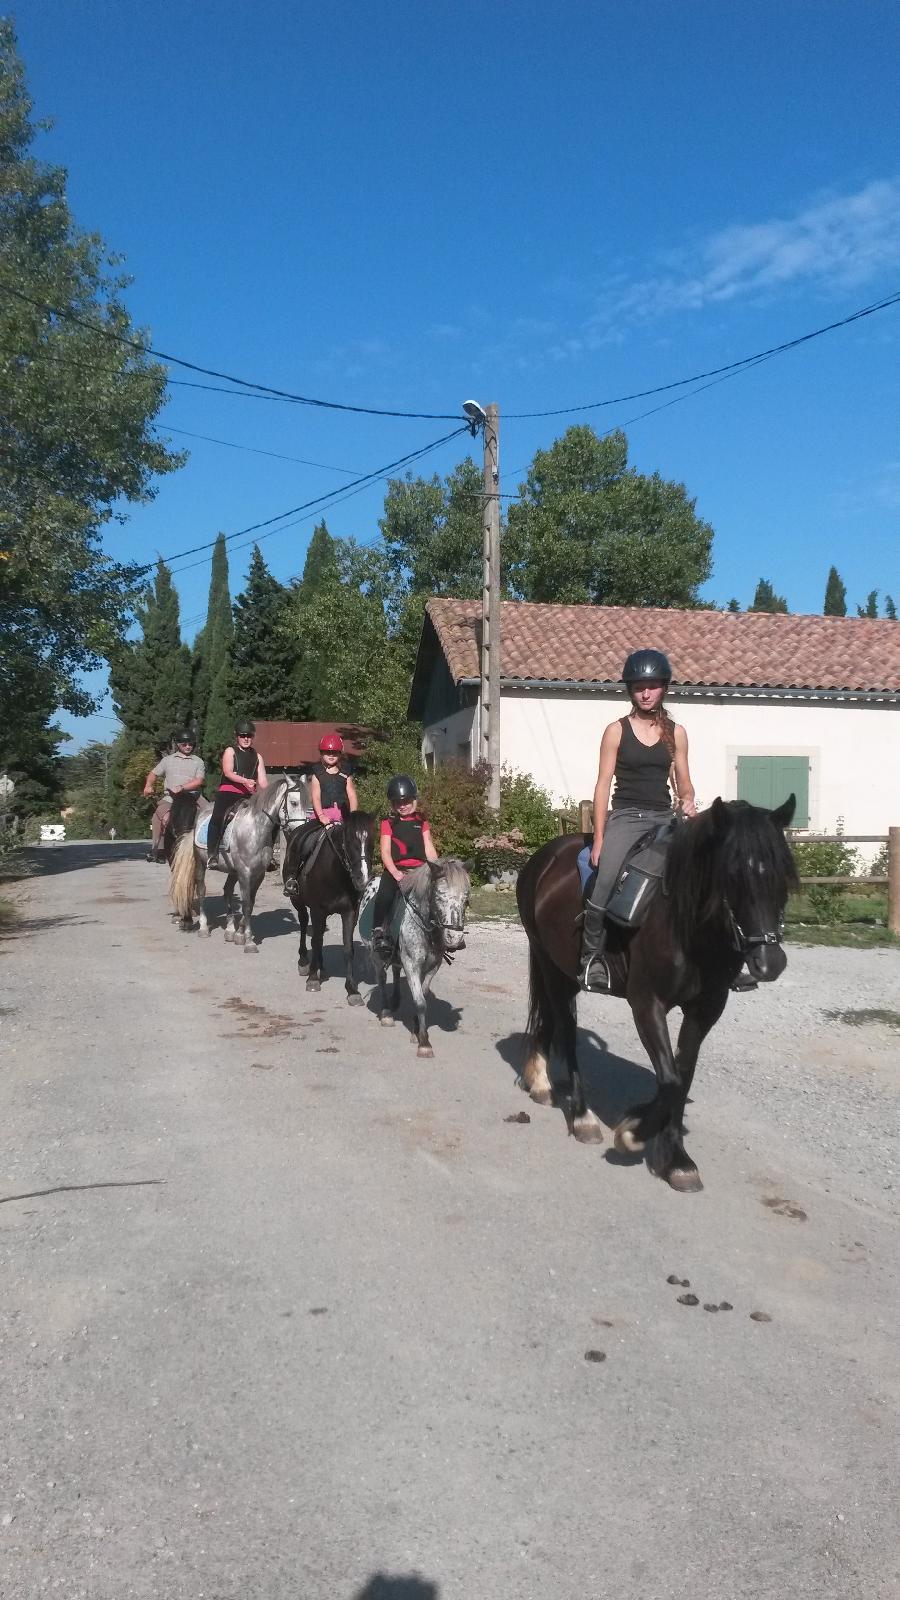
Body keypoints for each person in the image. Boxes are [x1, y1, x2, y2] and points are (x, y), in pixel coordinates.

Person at [579, 649, 696, 992]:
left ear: (664, 688)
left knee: (704, 866)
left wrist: (687, 797)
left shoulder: (676, 733)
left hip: (664, 816)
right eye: (639, 687)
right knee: (606, 875)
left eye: (653, 686)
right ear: (630, 690)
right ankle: (591, 958)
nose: (646, 693)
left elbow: (683, 778)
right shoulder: (615, 731)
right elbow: (602, 785)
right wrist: (600, 838)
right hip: (628, 816)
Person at [371, 774, 438, 959]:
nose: (402, 805)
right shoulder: (388, 822)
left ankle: (439, 931)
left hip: (420, 870)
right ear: (392, 804)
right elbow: (385, 851)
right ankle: (378, 932)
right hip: (396, 870)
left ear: (413, 799)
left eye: (406, 801)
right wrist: (395, 873)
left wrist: (436, 868)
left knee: (438, 896)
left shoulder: (421, 820)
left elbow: (429, 847)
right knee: (384, 895)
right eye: (398, 802)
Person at [206, 719, 268, 867]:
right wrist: (245, 781)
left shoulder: (258, 757)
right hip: (229, 792)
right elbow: (228, 773)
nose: (246, 738)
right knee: (218, 817)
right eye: (242, 735)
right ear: (237, 736)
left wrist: (270, 793)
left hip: (249, 795)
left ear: (253, 737)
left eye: (249, 735)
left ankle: (266, 854)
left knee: (268, 819)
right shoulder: (230, 751)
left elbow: (263, 781)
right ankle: (212, 854)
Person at [142, 729, 205, 862]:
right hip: (171, 797)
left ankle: (211, 848)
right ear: (178, 745)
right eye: (184, 744)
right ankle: (157, 849)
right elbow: (153, 774)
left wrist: (182, 787)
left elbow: (199, 781)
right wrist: (148, 785)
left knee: (210, 814)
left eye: (190, 744)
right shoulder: (167, 760)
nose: (188, 747)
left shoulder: (198, 761)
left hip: (192, 796)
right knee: (158, 817)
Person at [311, 733, 358, 825]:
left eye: (335, 752)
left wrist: (352, 815)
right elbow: (316, 797)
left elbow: (352, 796)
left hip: (343, 814)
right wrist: (321, 816)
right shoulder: (317, 774)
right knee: (309, 833)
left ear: (340, 754)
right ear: (322, 753)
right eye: (327, 752)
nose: (331, 755)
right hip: (323, 814)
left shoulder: (345, 773)